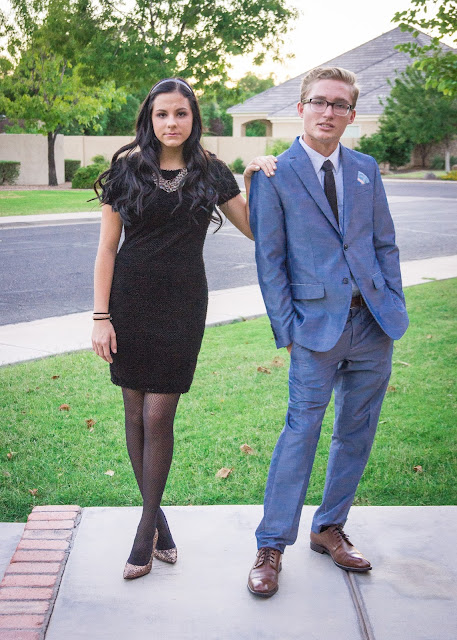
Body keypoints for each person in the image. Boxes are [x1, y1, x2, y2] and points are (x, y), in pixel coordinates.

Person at [91, 77, 264, 580]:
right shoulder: (127, 169)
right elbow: (107, 249)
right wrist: (101, 317)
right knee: (134, 413)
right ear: (150, 118)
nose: (171, 123)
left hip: (184, 304)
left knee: (158, 414)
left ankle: (143, 532)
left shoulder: (210, 170)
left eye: (181, 114)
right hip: (129, 301)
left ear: (194, 118)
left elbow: (254, 228)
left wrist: (253, 178)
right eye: (162, 114)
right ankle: (159, 526)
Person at [247, 66, 409, 598]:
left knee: (356, 431)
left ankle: (329, 526)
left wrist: (393, 303)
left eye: (339, 104)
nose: (328, 111)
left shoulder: (365, 169)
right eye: (319, 101)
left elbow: (384, 243)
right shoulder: (275, 174)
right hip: (314, 329)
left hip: (373, 324)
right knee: (301, 431)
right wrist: (287, 329)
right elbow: (270, 260)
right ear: (301, 108)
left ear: (351, 114)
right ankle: (271, 544)